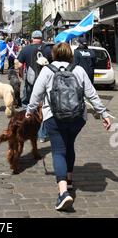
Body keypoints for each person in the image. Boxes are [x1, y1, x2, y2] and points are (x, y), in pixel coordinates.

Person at [26, 42, 111, 211]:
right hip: (77, 117)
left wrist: (29, 110)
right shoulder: (78, 70)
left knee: (58, 150)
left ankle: (63, 193)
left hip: (54, 118)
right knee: (69, 145)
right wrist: (104, 113)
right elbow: (91, 93)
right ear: (70, 55)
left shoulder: (47, 70)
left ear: (54, 55)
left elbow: (36, 94)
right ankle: (69, 180)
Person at [17, 30, 52, 107]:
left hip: (31, 77)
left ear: (32, 38)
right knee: (44, 96)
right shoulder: (48, 49)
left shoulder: (25, 49)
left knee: (28, 96)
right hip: (45, 76)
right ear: (41, 38)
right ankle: (42, 111)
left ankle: (27, 113)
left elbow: (19, 65)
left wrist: (21, 74)